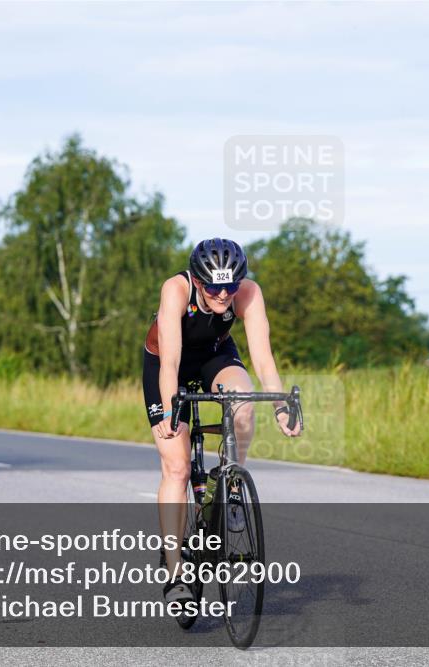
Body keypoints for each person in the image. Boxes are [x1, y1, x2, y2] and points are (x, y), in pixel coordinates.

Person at [143, 238, 302, 606]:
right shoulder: (176, 289)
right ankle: (175, 571)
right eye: (214, 288)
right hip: (168, 363)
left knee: (243, 403)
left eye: (230, 285)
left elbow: (263, 358)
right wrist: (170, 411)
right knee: (177, 466)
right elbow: (170, 362)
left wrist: (280, 406)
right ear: (198, 281)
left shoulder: (248, 293)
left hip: (215, 356)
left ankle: (230, 488)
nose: (224, 294)